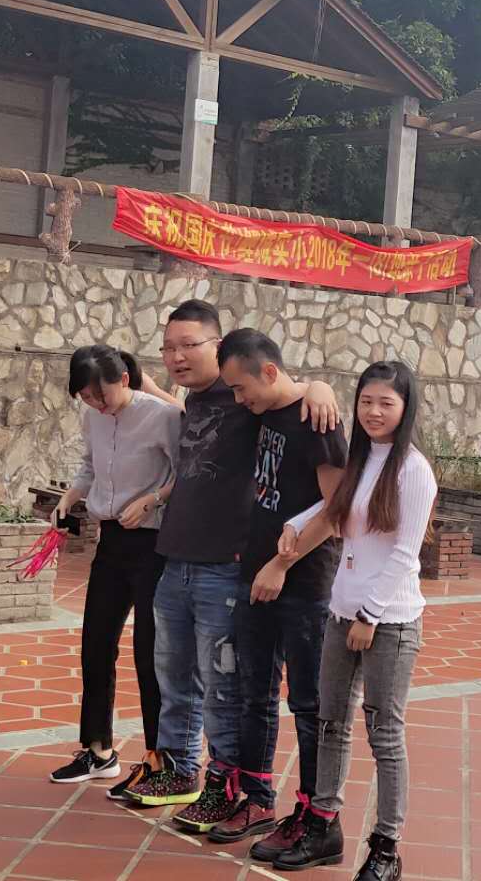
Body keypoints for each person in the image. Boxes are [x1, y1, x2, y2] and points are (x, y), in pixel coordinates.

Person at [122, 300, 341, 813]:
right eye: (168, 348)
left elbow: (288, 392)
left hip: (229, 567)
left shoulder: (248, 394)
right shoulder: (197, 399)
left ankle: (230, 785)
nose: (176, 357)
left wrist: (321, 386)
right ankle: (180, 770)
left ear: (217, 347)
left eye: (187, 345)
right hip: (176, 559)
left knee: (226, 687)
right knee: (175, 676)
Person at [272, 361, 435, 881]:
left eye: (386, 403)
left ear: (406, 408)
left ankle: (386, 849)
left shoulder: (413, 470)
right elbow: (340, 509)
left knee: (384, 733)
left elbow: (406, 554)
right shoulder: (360, 460)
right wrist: (293, 525)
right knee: (331, 723)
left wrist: (369, 615)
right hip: (342, 613)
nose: (374, 412)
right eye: (366, 401)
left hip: (389, 621)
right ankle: (323, 826)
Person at [195, 329, 350, 850]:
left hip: (304, 584)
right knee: (253, 692)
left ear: (267, 371)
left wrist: (281, 565)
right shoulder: (264, 411)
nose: (240, 399)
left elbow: (336, 511)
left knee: (308, 703)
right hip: (257, 578)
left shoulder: (317, 419)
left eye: (242, 388)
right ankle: (258, 800)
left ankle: (314, 815)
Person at [46, 346, 182, 795]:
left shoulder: (162, 416)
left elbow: (188, 473)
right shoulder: (94, 418)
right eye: (86, 397)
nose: (95, 404)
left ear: (124, 379)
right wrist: (69, 499)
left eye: (100, 395)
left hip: (153, 543)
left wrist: (153, 500)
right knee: (96, 643)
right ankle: (98, 750)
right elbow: (89, 466)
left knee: (149, 653)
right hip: (111, 540)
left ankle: (159, 759)